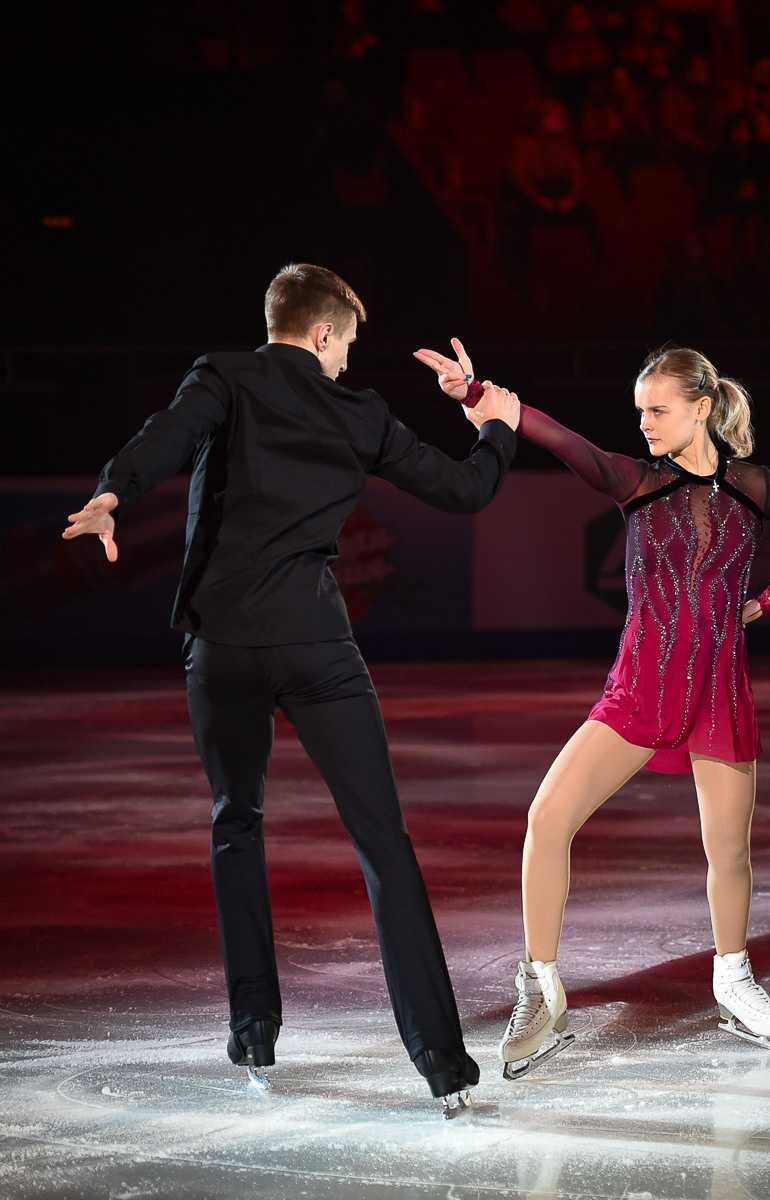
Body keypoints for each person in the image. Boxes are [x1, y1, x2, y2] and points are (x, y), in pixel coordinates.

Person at [62, 264, 520, 1115]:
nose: (347, 361)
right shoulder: (360, 412)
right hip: (314, 643)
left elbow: (165, 437)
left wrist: (112, 492)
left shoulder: (222, 376)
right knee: (384, 842)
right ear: (320, 333)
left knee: (236, 821)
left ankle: (254, 1033)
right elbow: (464, 488)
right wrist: (493, 423)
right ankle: (443, 1067)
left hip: (223, 644)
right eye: (346, 344)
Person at [415, 339, 770, 1076]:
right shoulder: (637, 482)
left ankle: (731, 977)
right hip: (640, 689)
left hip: (718, 690)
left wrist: (763, 602)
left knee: (729, 851)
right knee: (548, 819)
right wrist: (479, 394)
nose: (644, 423)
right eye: (639, 411)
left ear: (702, 409)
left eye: (659, 410)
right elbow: (561, 440)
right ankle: (541, 986)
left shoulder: (756, 489)